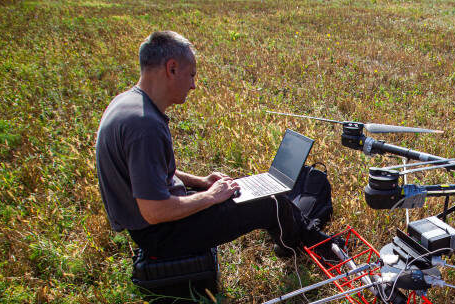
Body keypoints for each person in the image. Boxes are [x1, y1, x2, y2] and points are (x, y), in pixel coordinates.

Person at [96, 30, 331, 259]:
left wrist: (203, 183)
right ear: (172, 68)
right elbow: (155, 211)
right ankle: (300, 246)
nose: (193, 85)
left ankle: (295, 225)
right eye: (191, 75)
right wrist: (210, 197)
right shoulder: (145, 126)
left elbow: (151, 172)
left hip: (156, 225)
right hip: (163, 234)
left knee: (238, 190)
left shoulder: (128, 104)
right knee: (271, 203)